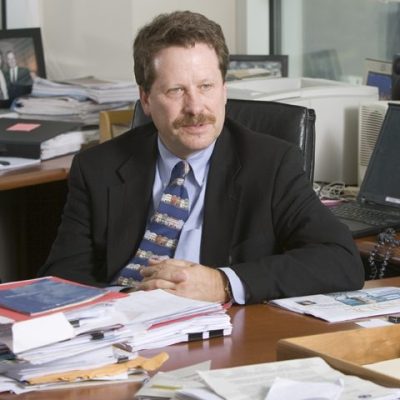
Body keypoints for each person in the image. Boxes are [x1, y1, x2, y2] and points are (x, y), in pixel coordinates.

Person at [38, 11, 364, 304]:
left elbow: (339, 261)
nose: (195, 108)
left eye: (206, 86)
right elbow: (63, 277)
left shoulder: (271, 164)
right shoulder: (98, 167)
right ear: (146, 100)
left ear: (224, 89)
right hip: (118, 334)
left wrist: (222, 282)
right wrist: (121, 306)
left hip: (218, 337)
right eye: (176, 91)